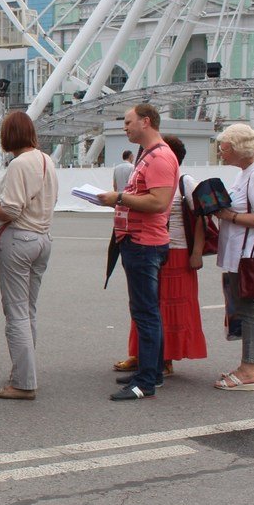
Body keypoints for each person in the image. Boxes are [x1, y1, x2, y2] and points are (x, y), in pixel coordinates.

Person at [97, 104, 179, 402]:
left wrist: (119, 197)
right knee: (146, 311)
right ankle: (151, 372)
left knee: (146, 314)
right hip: (138, 241)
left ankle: (145, 382)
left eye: (129, 122)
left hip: (144, 243)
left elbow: (158, 202)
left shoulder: (159, 157)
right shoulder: (149, 155)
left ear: (146, 122)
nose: (125, 127)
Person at [112, 135, 207, 379]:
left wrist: (197, 252)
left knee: (169, 307)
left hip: (177, 251)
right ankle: (141, 355)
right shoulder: (146, 179)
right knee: (144, 305)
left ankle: (165, 358)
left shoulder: (186, 182)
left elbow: (201, 217)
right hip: (149, 245)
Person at [0, 112, 59, 402]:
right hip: (42, 238)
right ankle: (25, 373)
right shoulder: (46, 160)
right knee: (28, 310)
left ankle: (23, 382)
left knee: (15, 312)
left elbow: (11, 210)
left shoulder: (18, 164)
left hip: (19, 239)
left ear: (8, 135)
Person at [212, 123, 254, 391]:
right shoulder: (246, 172)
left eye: (224, 148)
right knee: (244, 307)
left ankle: (248, 368)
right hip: (239, 252)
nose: (221, 152)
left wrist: (230, 216)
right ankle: (250, 365)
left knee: (248, 309)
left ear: (238, 149)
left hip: (248, 254)